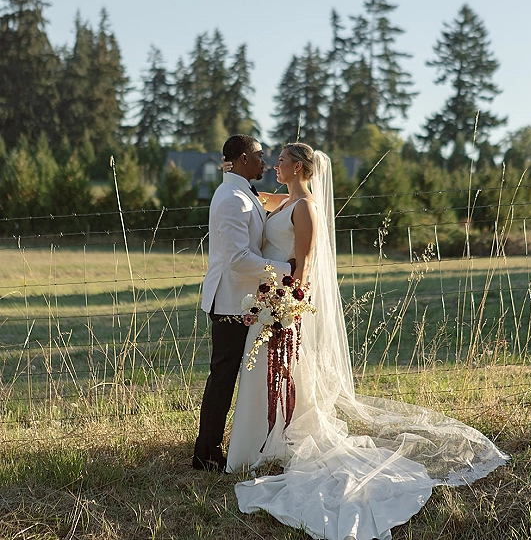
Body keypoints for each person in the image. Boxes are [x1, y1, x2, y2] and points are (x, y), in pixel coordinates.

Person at [227, 143, 508, 540]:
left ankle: (271, 443)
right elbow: (256, 197)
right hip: (265, 300)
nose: (276, 164)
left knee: (272, 373)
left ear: (301, 167)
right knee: (263, 374)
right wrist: (232, 175)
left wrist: (286, 306)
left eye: (283, 160)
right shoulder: (288, 200)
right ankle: (260, 444)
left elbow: (304, 267)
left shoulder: (306, 208)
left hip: (282, 303)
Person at [192, 134, 294, 472]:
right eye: (259, 155)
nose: (264, 162)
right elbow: (237, 259)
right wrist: (285, 271)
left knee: (228, 377)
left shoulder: (243, 193)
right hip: (230, 302)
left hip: (243, 301)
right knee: (222, 378)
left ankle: (220, 445)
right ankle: (206, 453)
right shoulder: (231, 199)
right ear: (240, 159)